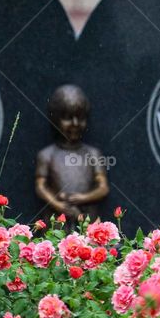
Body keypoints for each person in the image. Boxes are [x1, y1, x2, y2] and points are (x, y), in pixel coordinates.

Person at [35, 84, 109, 222]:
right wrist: (59, 205)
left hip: (88, 219)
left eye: (80, 118)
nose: (75, 123)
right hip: (57, 222)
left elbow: (103, 188)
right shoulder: (47, 155)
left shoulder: (93, 154)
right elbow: (40, 186)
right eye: (68, 118)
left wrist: (81, 198)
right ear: (56, 119)